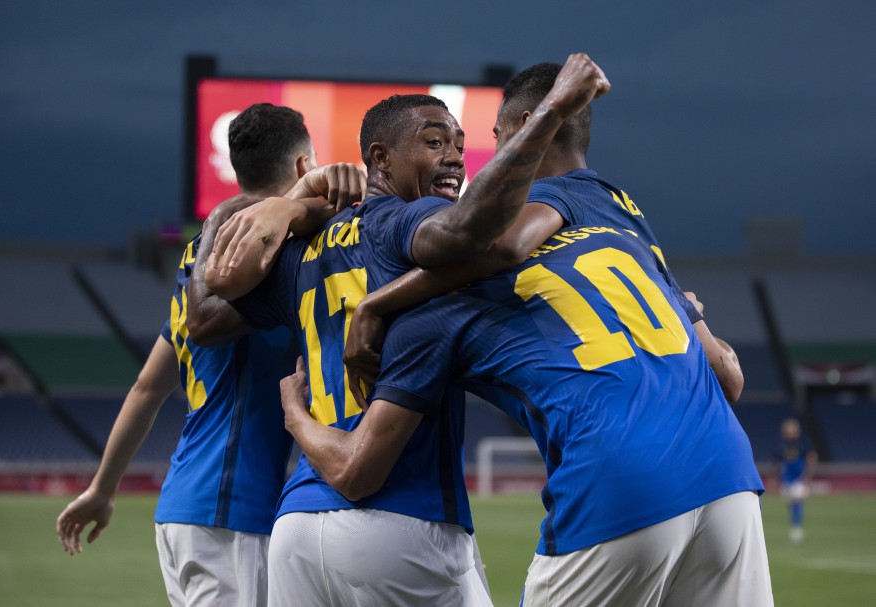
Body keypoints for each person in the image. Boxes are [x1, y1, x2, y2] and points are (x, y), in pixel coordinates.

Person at [194, 53, 610, 606]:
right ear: (380, 158)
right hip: (399, 514)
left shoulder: (299, 253)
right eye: (436, 143)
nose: (456, 159)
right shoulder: (403, 219)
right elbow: (471, 236)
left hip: (297, 525)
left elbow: (201, 319)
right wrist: (551, 115)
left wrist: (269, 208)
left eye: (461, 145)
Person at [285, 223, 772, 606]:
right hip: (729, 472)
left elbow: (356, 468)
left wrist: (295, 413)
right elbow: (729, 378)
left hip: (618, 479)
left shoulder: (431, 314)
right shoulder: (621, 241)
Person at [55, 103, 363, 607]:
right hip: (231, 509)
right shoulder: (284, 254)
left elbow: (148, 387)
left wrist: (102, 489)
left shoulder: (201, 257)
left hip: (183, 507)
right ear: (305, 167)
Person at [344, 61, 742, 404]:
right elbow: (728, 378)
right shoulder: (627, 216)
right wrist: (680, 307)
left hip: (609, 434)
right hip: (711, 449)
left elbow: (501, 248)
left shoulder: (546, 196)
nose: (492, 152)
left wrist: (377, 304)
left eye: (497, 136)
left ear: (525, 128)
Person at [775, 417, 817, 544]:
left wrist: (807, 476)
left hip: (799, 479)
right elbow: (777, 462)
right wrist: (776, 478)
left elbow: (812, 458)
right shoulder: (781, 446)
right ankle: (795, 526)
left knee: (797, 502)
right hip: (786, 480)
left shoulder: (804, 444)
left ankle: (797, 530)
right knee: (791, 504)